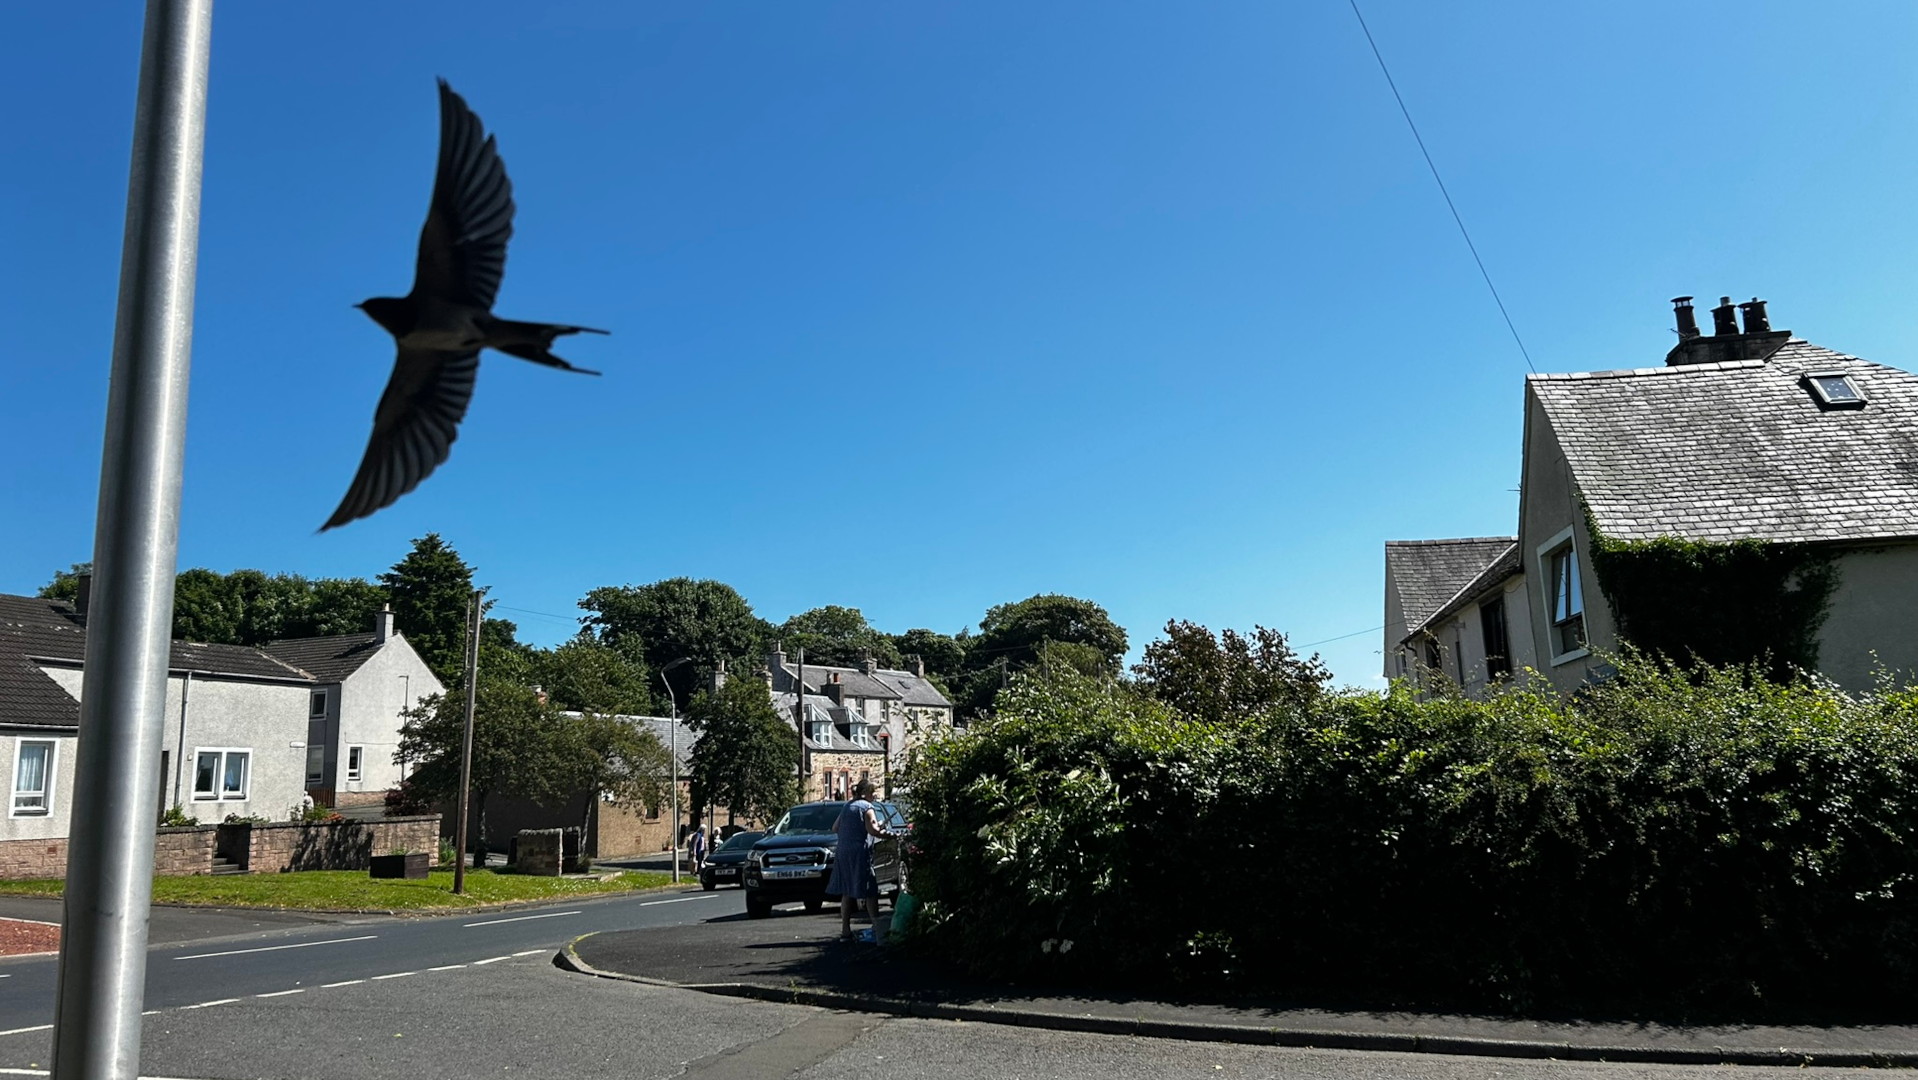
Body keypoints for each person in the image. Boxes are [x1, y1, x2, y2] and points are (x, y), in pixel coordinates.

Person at [825, 781, 889, 941]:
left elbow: (835, 827)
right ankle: (877, 927)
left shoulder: (847, 806)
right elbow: (873, 830)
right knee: (870, 890)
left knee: (847, 891)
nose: (875, 795)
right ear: (867, 792)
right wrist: (888, 834)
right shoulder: (867, 807)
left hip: (843, 852)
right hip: (860, 852)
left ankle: (845, 931)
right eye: (873, 792)